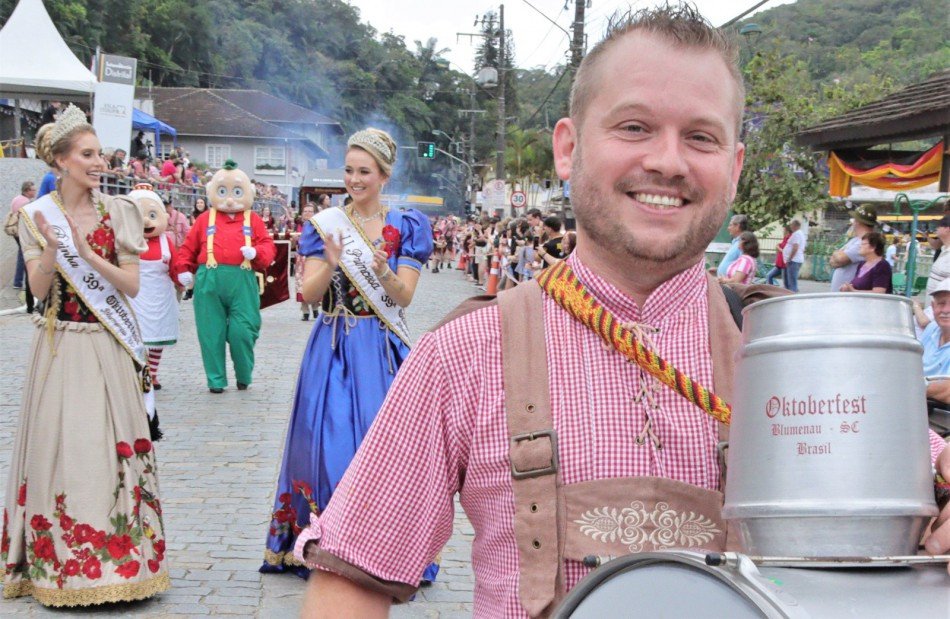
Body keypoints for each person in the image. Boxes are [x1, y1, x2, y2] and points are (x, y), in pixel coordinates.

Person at [292, 8, 950, 616]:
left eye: (701, 137)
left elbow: (923, 488)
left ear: (734, 167)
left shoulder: (797, 356)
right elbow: (350, 578)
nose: (666, 161)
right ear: (568, 148)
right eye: (634, 127)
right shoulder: (467, 350)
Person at [1, 104, 169, 605]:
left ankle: (122, 565)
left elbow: (131, 286)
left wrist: (89, 253)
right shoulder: (35, 217)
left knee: (110, 450)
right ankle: (63, 566)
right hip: (61, 345)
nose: (100, 163)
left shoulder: (119, 211)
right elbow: (37, 288)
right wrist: (55, 250)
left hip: (108, 344)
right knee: (65, 449)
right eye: (88, 155)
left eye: (101, 155)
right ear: (61, 160)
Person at [261, 128, 437, 583]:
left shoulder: (407, 226)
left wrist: (382, 271)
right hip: (332, 343)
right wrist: (334, 263)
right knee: (322, 443)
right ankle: (326, 542)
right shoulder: (326, 224)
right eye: (349, 170)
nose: (354, 179)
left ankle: (380, 548)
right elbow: (307, 294)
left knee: (381, 450)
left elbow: (404, 297)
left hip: (379, 349)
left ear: (384, 175)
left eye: (364, 171)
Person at [829, 204, 877, 292]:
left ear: (858, 221)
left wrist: (837, 253)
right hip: (842, 294)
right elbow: (833, 261)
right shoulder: (855, 240)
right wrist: (838, 256)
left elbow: (840, 259)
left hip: (848, 295)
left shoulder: (865, 242)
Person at [8, 181, 37, 313]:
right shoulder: (26, 203)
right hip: (22, 232)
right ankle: (22, 282)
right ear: (27, 191)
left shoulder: (16, 199)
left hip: (15, 231)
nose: (35, 192)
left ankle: (17, 281)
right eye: (32, 190)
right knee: (25, 257)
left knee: (21, 255)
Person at [294, 203, 319, 320]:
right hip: (301, 259)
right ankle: (305, 310)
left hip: (313, 257)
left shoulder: (318, 226)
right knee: (301, 284)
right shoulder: (299, 225)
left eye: (310, 211)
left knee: (314, 282)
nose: (307, 213)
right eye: (305, 211)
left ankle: (315, 307)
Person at [782, 219, 806, 292]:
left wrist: (789, 259)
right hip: (795, 260)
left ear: (795, 226)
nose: (790, 227)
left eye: (791, 225)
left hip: (794, 260)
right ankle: (789, 293)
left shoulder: (797, 234)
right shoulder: (800, 233)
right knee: (790, 281)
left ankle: (792, 295)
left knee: (792, 282)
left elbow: (795, 247)